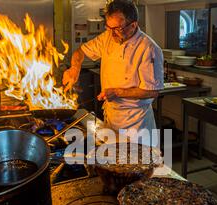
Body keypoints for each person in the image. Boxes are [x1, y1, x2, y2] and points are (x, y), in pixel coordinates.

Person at [62, 0, 163, 146]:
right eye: (108, 27)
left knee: (134, 164)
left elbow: (152, 92)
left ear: (133, 25)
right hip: (111, 117)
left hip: (135, 123)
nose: (111, 33)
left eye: (117, 28)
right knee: (112, 163)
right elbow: (80, 52)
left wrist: (117, 92)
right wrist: (74, 68)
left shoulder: (149, 49)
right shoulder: (107, 37)